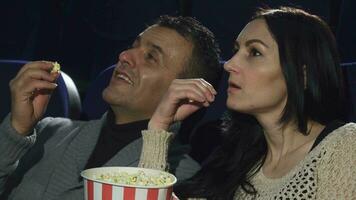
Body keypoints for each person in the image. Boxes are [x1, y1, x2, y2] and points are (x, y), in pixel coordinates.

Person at [138, 7, 356, 199]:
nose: (230, 64)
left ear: (302, 75)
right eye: (236, 51)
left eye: (255, 52)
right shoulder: (236, 164)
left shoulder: (345, 145)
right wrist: (159, 126)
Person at [0, 16, 221, 199]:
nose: (124, 56)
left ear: (186, 96)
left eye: (151, 57)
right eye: (132, 47)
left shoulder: (180, 179)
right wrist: (16, 130)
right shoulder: (47, 131)